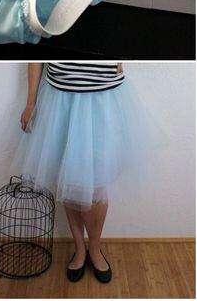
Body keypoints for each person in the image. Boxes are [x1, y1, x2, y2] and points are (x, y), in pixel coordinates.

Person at [18, 61, 125, 284]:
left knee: (96, 184)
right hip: (60, 99)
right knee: (67, 177)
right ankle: (80, 249)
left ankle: (94, 249)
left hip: (102, 98)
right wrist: (30, 103)